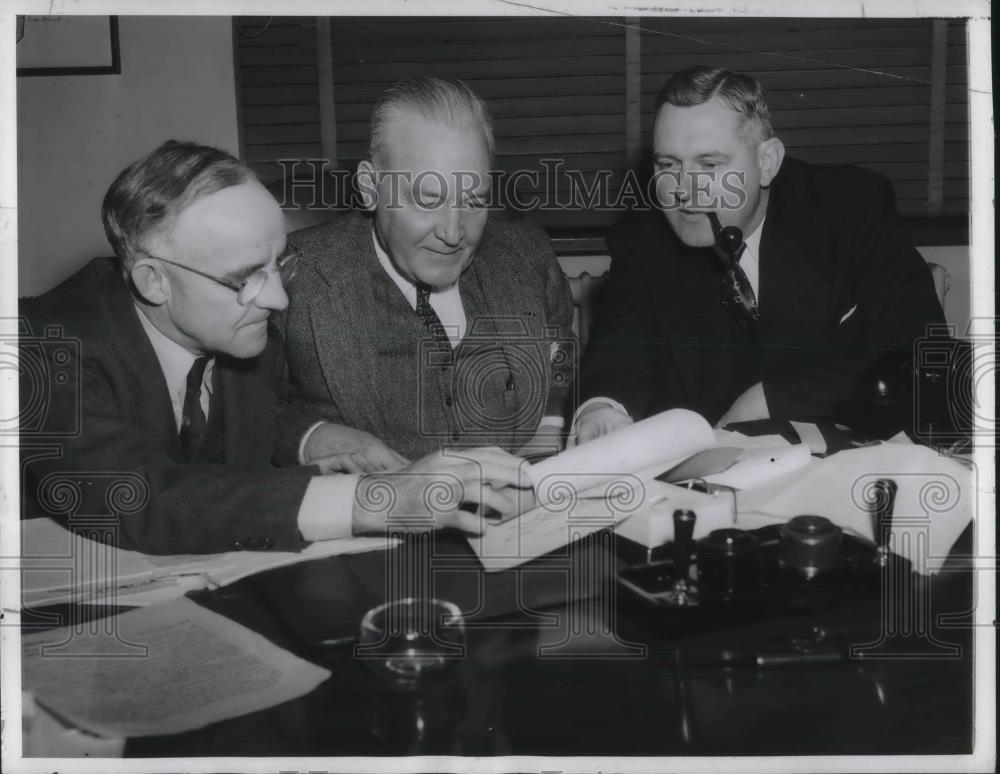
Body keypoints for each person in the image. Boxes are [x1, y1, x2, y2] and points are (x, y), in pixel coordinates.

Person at [19, 141, 526, 555]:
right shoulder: (42, 348)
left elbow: (238, 455)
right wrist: (374, 500)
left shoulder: (242, 325)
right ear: (154, 282)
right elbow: (134, 498)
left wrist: (319, 454)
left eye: (279, 264)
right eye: (245, 280)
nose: (279, 298)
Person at [573, 65, 945, 444]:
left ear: (767, 162)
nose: (683, 190)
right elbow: (618, 351)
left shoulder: (851, 208)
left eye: (709, 164)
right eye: (668, 164)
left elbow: (920, 356)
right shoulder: (642, 240)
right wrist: (601, 409)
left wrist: (772, 399)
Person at [275, 76, 575, 471]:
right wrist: (314, 438)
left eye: (473, 201)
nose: (453, 234)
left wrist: (545, 438)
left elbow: (558, 358)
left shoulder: (528, 257)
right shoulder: (293, 279)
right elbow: (241, 419)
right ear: (370, 187)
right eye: (427, 200)